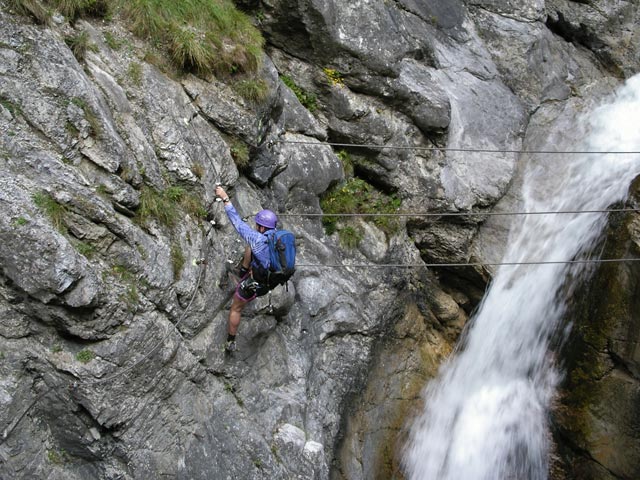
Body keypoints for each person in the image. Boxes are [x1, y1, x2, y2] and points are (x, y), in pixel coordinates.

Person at [215, 185, 277, 353]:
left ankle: (230, 342)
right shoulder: (279, 237)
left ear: (262, 228)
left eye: (258, 226)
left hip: (257, 283)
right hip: (271, 280)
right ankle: (243, 271)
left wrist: (225, 198)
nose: (257, 228)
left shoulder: (258, 239)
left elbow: (237, 222)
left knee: (236, 308)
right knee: (250, 248)